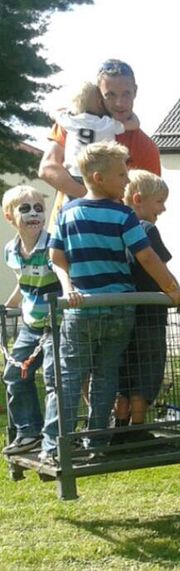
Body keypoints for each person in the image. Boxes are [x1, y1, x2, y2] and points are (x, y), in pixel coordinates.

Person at [39, 141, 180, 464]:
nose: (126, 179)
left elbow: (56, 256)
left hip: (81, 309)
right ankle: (97, 441)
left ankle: (53, 446)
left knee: (70, 377)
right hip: (119, 308)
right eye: (121, 174)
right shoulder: (122, 214)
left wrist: (68, 287)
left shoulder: (67, 211)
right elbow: (146, 256)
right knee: (106, 375)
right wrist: (172, 290)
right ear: (99, 177)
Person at [38, 59, 161, 212]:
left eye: (126, 94)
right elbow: (48, 168)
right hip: (65, 228)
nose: (119, 103)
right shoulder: (75, 124)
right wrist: (93, 197)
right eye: (110, 95)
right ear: (98, 95)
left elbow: (149, 202)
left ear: (135, 91)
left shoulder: (145, 147)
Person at [113, 170, 176, 441]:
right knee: (147, 369)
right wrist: (176, 292)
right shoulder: (147, 229)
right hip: (150, 315)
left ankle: (119, 425)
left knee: (124, 371)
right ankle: (138, 429)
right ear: (138, 199)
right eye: (159, 201)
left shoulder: (115, 228)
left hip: (123, 315)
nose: (163, 208)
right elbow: (158, 267)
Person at [0, 186, 61, 456]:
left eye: (38, 207)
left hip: (56, 324)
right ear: (10, 216)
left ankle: (53, 440)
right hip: (30, 324)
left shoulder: (53, 245)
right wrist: (7, 306)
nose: (34, 213)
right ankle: (28, 432)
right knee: (14, 375)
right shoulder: (11, 250)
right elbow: (24, 284)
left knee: (54, 379)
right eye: (25, 209)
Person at [55, 80, 140, 186]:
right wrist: (129, 112)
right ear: (100, 103)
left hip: (74, 174)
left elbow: (55, 113)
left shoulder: (70, 120)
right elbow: (134, 124)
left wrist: (68, 110)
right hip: (101, 175)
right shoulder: (106, 123)